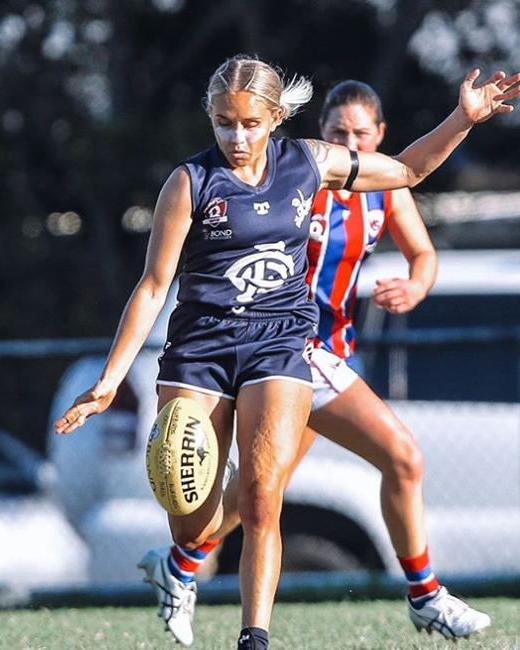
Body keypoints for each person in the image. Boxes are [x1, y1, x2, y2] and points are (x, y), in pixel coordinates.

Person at [55, 55, 520, 650]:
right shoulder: (189, 182)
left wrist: (462, 118)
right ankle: (179, 562)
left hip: (283, 343)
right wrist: (110, 377)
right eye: (224, 122)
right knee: (188, 506)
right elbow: (152, 287)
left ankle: (256, 637)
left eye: (250, 123)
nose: (237, 136)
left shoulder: (306, 161)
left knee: (261, 495)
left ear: (275, 118)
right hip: (200, 350)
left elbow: (405, 170)